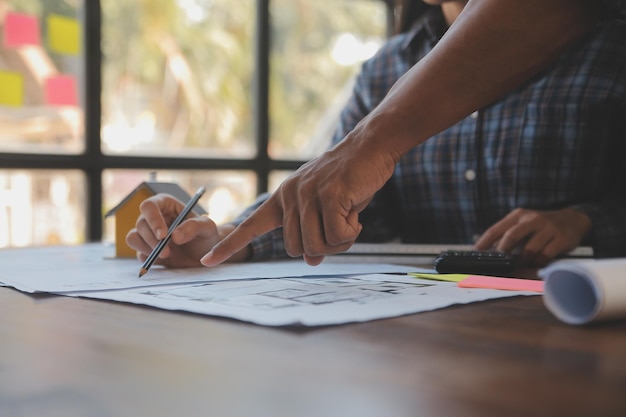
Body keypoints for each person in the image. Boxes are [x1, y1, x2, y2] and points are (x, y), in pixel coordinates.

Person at [127, 0, 626, 270]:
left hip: (574, 321)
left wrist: (584, 221)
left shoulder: (610, 41)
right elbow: (345, 203)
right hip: (433, 329)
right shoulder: (383, 71)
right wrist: (229, 241)